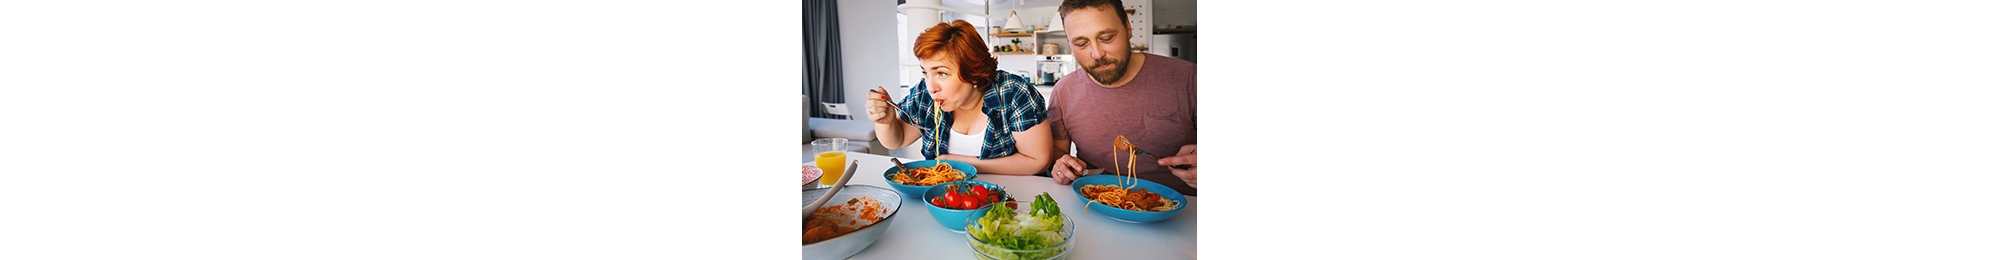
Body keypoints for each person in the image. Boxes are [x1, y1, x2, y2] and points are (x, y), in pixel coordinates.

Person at [864, 20, 1055, 176]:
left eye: (942, 73)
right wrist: (886, 122)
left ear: (972, 72)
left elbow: (1038, 160)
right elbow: (897, 141)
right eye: (926, 73)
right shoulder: (925, 93)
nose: (931, 86)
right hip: (942, 197)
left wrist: (964, 163)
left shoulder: (1013, 92)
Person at [1045, 0, 1197, 196]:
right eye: (1081, 43)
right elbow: (1058, 151)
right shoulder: (1064, 91)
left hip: (1181, 214)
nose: (1097, 54)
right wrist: (1061, 165)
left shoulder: (1188, 79)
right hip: (1096, 205)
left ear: (1127, 27)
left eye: (1107, 37)